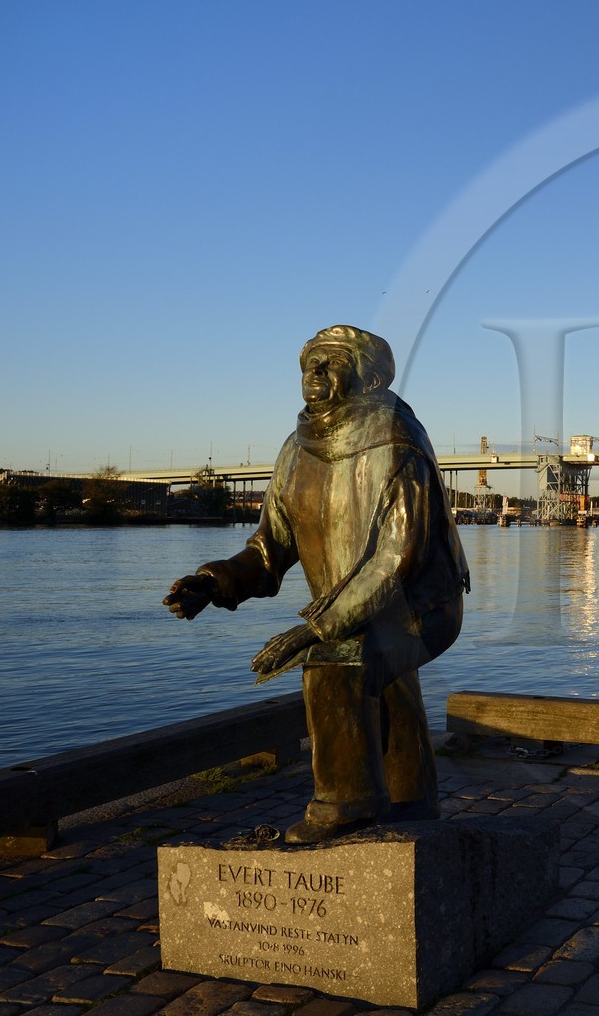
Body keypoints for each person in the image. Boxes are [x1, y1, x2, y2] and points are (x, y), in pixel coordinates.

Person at [164, 325, 469, 844]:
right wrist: (215, 582)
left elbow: (395, 560)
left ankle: (345, 803)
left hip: (420, 606)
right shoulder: (295, 449)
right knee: (380, 671)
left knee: (338, 658)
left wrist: (315, 630)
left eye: (332, 362)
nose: (315, 372)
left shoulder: (396, 441)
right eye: (310, 363)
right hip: (357, 609)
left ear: (369, 376)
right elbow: (270, 548)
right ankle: (412, 798)